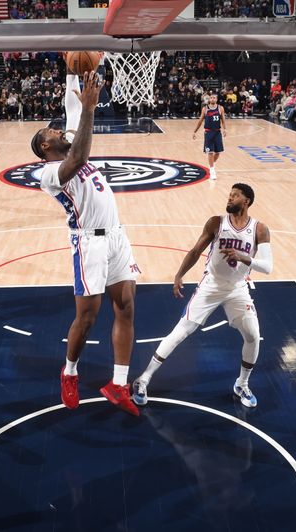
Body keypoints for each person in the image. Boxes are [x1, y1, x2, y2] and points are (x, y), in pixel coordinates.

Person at [30, 70, 140, 416]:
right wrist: (90, 109)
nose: (58, 129)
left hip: (117, 236)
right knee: (88, 317)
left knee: (126, 306)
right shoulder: (48, 173)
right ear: (45, 147)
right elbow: (77, 156)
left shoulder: (70, 144)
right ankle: (70, 371)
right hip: (88, 244)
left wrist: (71, 74)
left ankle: (119, 383)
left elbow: (72, 112)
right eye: (52, 132)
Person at [131, 184, 272, 408]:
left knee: (253, 335)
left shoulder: (259, 229)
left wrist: (243, 257)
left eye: (235, 195)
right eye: (230, 193)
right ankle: (143, 379)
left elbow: (268, 267)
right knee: (181, 332)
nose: (230, 197)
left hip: (237, 288)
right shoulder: (216, 222)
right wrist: (179, 274)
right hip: (212, 284)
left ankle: (242, 384)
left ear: (246, 201)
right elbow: (196, 251)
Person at [192, 93, 227, 180]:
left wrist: (225, 129)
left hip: (217, 132)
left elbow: (223, 119)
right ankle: (212, 170)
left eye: (214, 98)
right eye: (211, 98)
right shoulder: (205, 109)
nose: (212, 99)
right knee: (210, 152)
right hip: (208, 133)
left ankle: (212, 164)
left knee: (218, 152)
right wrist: (194, 131)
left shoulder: (220, 108)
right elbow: (200, 121)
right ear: (209, 99)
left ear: (216, 99)